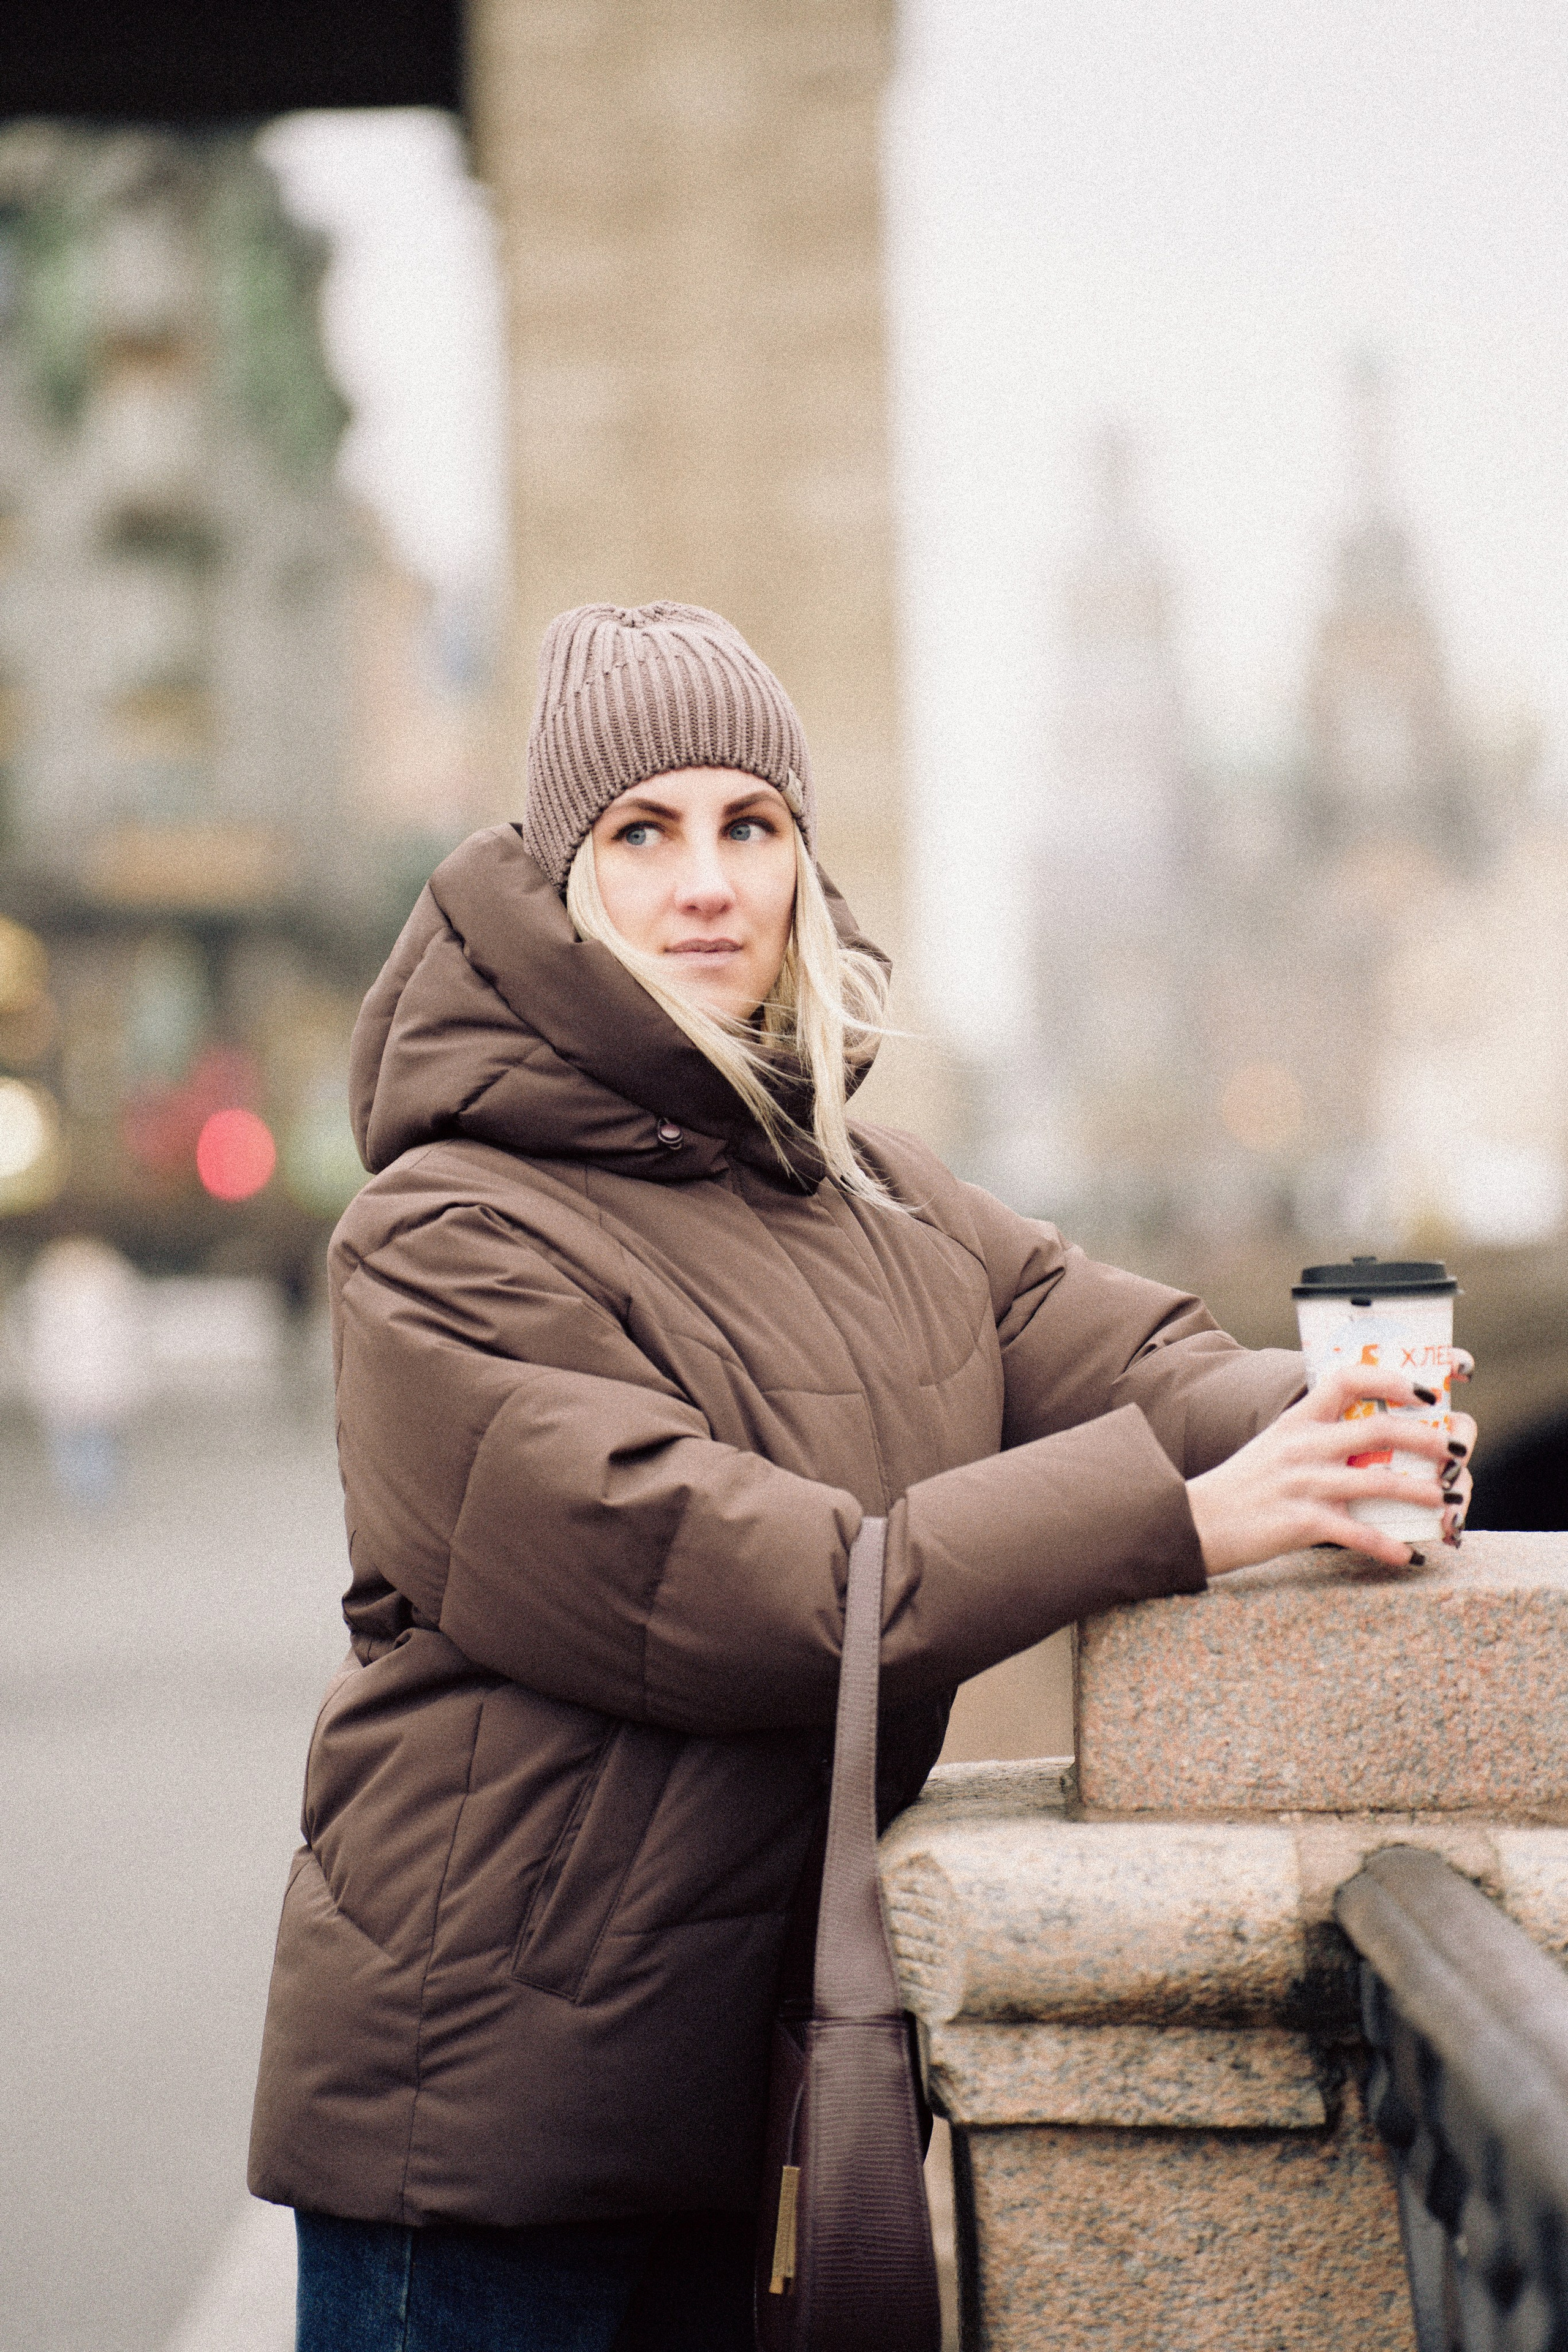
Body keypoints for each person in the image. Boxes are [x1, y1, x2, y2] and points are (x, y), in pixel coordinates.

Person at [249, 602, 1475, 2351]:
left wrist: (1355, 1408)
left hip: (743, 2083)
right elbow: (748, 1587)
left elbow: (1133, 1358)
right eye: (643, 832)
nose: (709, 882)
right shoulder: (440, 1234)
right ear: (560, 871)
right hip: (489, 2118)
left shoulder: (871, 1191)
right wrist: (1183, 1524)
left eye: (752, 826)